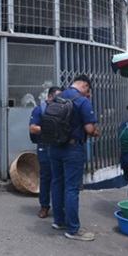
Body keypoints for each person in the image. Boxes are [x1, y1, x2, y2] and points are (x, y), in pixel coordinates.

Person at [48, 75, 99, 241]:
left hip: (54, 146)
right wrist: (96, 131)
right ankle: (73, 229)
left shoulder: (57, 97)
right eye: (88, 89)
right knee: (71, 188)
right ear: (84, 85)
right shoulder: (83, 101)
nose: (88, 93)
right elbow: (89, 128)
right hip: (72, 148)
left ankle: (59, 221)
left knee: (57, 183)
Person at [29, 86, 62, 219]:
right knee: (46, 177)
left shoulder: (63, 110)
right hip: (44, 146)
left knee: (59, 178)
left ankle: (59, 207)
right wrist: (50, 130)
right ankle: (44, 206)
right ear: (50, 97)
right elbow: (33, 128)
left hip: (59, 146)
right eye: (58, 97)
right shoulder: (40, 110)